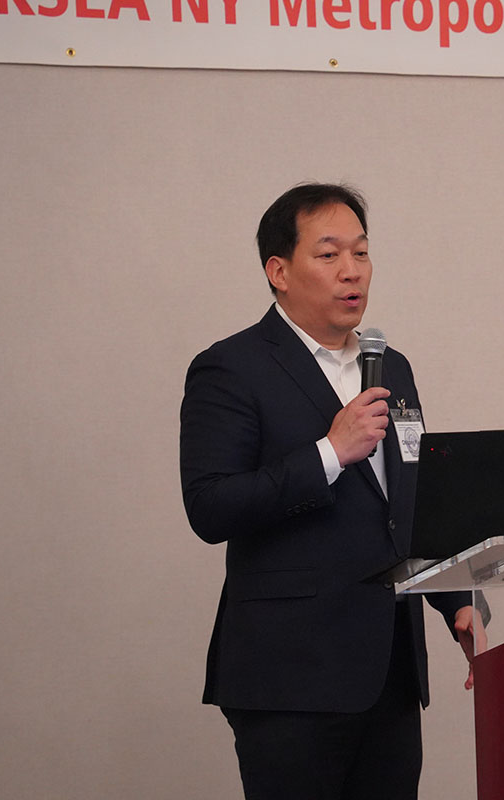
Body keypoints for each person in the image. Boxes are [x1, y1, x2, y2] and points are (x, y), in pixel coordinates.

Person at [179, 183, 484, 800]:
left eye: (362, 253)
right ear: (279, 271)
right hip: (289, 678)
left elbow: (409, 506)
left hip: (390, 671)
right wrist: (329, 452)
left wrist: (457, 601)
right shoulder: (232, 367)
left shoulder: (391, 366)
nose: (352, 271)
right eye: (329, 254)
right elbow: (210, 506)